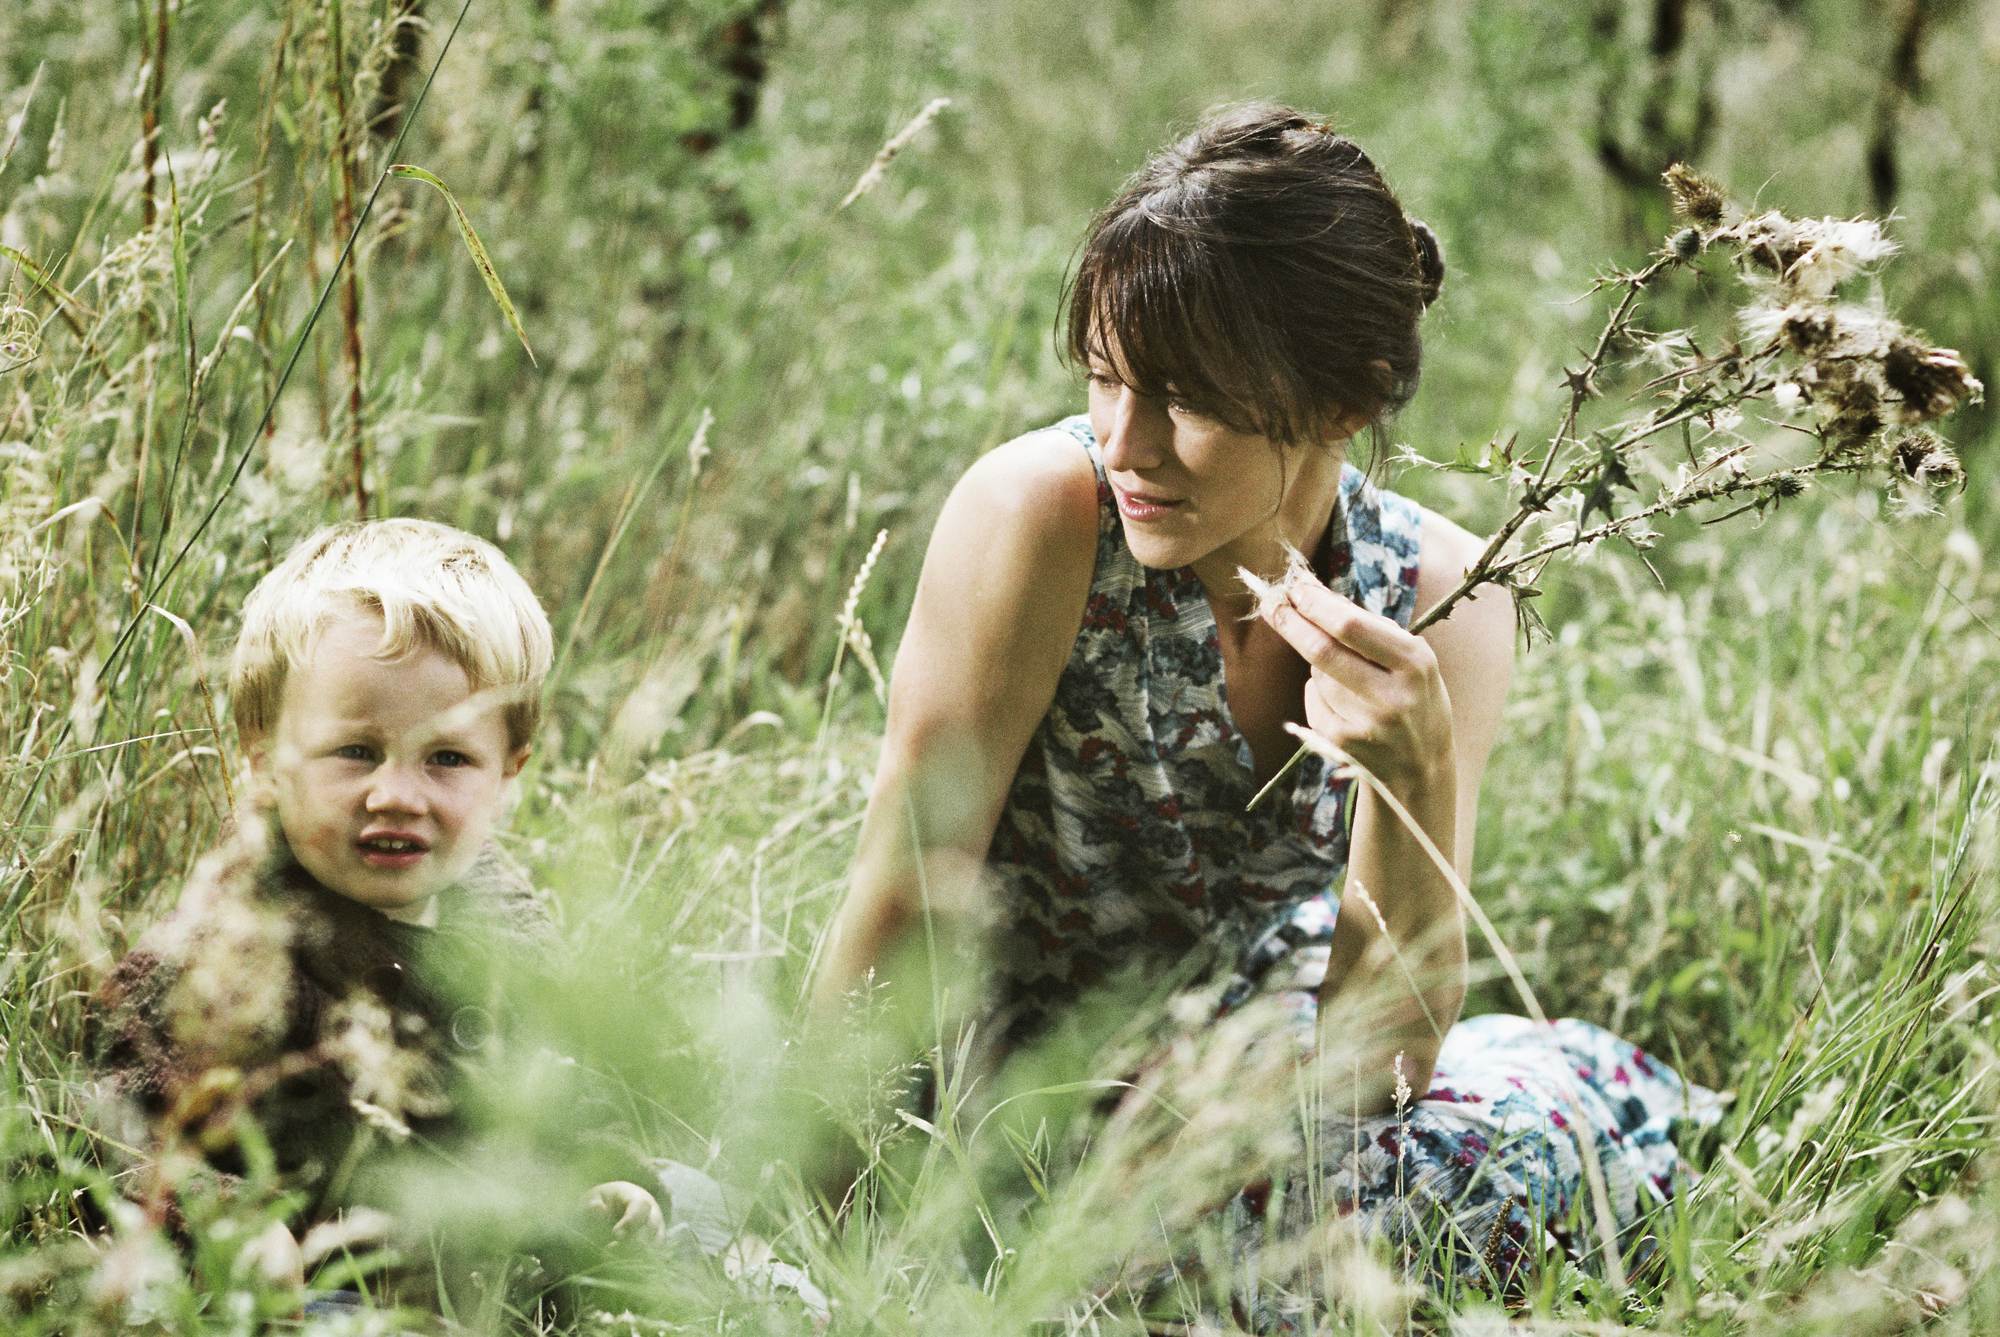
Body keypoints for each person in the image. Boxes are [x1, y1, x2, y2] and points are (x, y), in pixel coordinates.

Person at [815, 104, 1715, 1326]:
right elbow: (903, 889)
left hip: (1253, 1125)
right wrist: (811, 1202)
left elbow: (1382, 1067)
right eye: (1101, 377)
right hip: (999, 1121)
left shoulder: (1440, 600)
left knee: (1463, 1167)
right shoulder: (1044, 515)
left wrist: (1413, 774)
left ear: (1343, 399)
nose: (1123, 441)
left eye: (1183, 398)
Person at [94, 519, 666, 1310]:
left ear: (507, 773)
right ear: (266, 764)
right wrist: (226, 1223)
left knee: (692, 1205)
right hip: (327, 1283)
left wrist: (606, 1176)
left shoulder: (507, 931)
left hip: (484, 1263)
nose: (397, 794)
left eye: (447, 758)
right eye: (355, 751)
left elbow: (559, 1089)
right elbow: (123, 1125)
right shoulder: (228, 943)